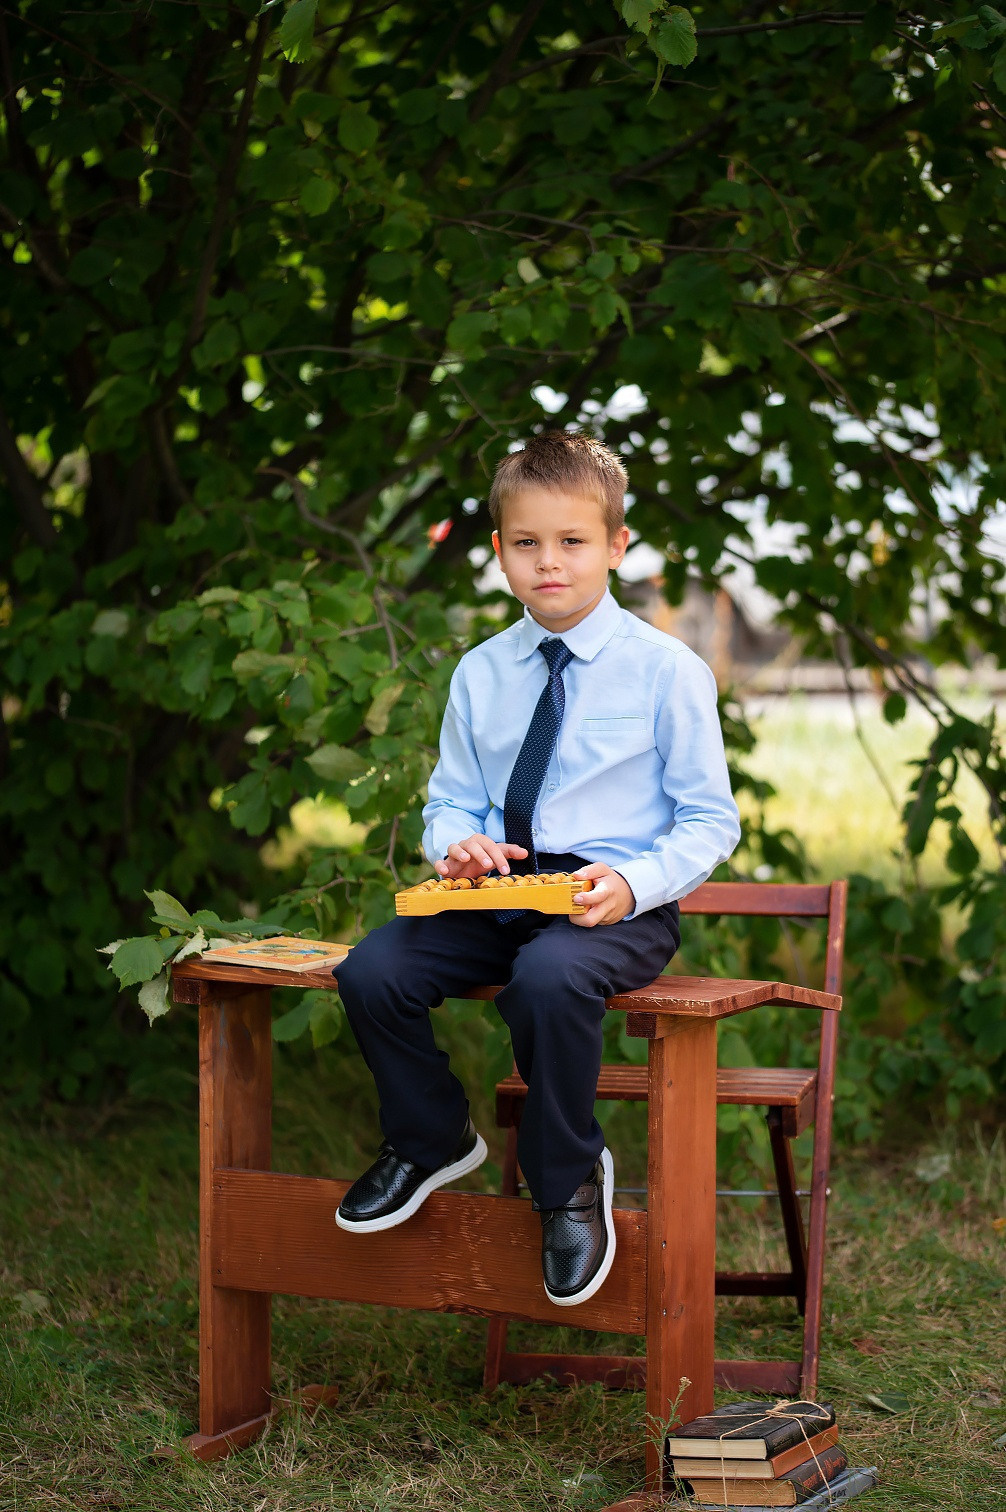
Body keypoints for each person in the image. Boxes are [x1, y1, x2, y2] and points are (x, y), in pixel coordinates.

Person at [333, 430, 740, 1307]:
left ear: (616, 547)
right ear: (499, 553)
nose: (548, 563)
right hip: (499, 891)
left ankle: (565, 1181)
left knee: (549, 980)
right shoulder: (482, 673)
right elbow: (454, 799)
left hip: (614, 899)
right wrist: (460, 843)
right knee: (372, 971)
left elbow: (711, 821)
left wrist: (634, 884)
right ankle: (430, 1137)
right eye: (527, 543)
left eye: (571, 542)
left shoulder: (666, 672)